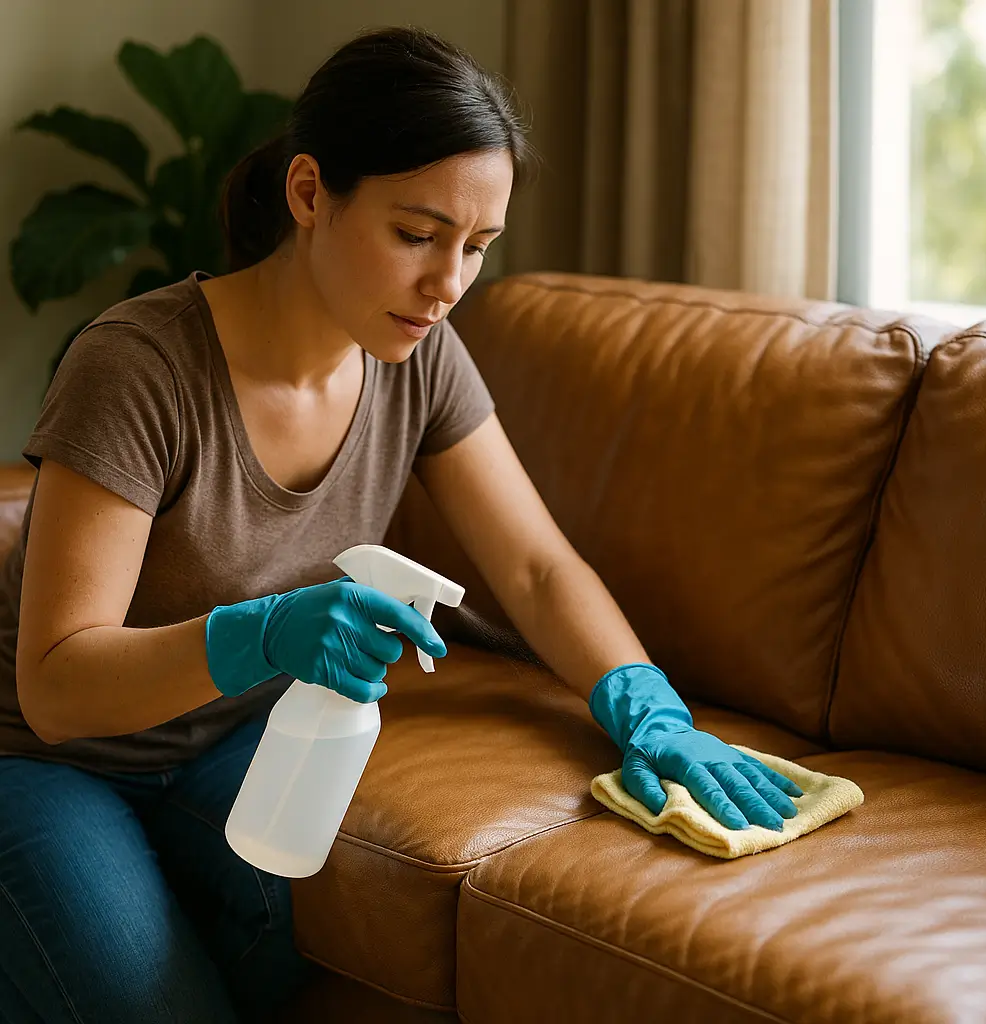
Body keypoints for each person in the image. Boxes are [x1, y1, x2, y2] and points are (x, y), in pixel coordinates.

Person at [0, 24, 803, 1024]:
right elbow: (56, 687)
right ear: (309, 193)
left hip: (228, 742)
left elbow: (535, 566)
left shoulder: (418, 357)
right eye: (418, 234)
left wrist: (649, 708)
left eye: (477, 247)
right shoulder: (138, 367)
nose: (448, 283)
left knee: (331, 934)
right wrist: (261, 633)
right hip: (47, 763)